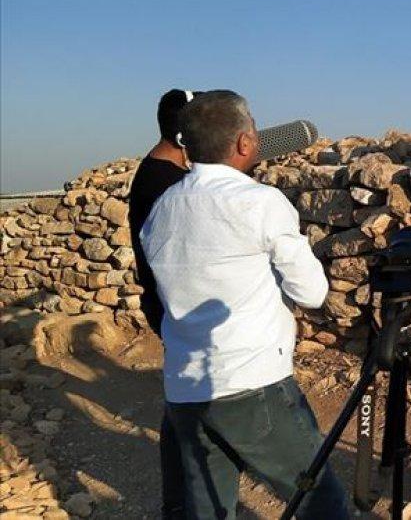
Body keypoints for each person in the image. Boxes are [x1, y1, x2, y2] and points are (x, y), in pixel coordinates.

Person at [141, 90, 348, 519]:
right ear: (244, 143)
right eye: (252, 125)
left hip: (185, 390)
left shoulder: (162, 209)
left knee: (210, 508)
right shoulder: (259, 202)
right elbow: (312, 292)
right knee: (321, 502)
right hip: (251, 384)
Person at [127, 88, 199, 520]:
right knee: (187, 407)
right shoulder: (165, 184)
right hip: (176, 308)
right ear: (185, 135)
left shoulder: (160, 172)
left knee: (183, 402)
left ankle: (180, 501)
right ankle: (183, 503)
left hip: (169, 307)